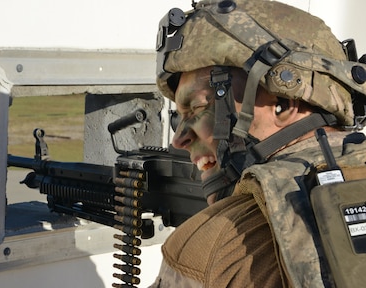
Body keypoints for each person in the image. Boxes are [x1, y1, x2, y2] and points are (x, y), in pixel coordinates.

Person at [150, 0, 366, 287]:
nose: (178, 139)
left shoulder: (207, 249)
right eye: (179, 117)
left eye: (199, 107)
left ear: (284, 104)